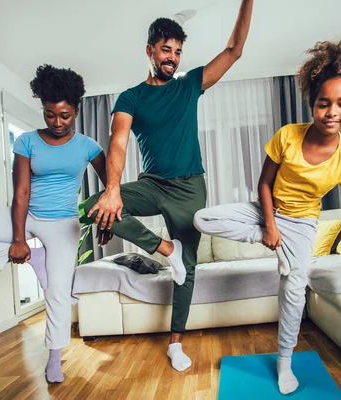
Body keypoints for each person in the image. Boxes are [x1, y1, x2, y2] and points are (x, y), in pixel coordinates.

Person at [193, 31, 341, 394]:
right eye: (324, 103)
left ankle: (285, 361)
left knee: (294, 287)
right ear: (312, 103)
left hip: (303, 224)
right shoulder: (288, 135)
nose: (332, 112)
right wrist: (268, 228)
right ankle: (276, 246)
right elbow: (263, 184)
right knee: (201, 219)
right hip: (266, 210)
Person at [84, 0, 254, 372]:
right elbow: (118, 142)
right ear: (150, 50)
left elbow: (234, 50)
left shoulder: (189, 84)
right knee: (93, 206)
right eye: (166, 50)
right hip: (152, 184)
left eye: (178, 51)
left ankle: (176, 343)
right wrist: (112, 192)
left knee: (187, 267)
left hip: (190, 188)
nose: (172, 58)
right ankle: (166, 248)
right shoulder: (131, 97)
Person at [0, 64, 108, 383]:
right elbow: (21, 191)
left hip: (63, 224)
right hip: (25, 215)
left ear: (77, 110)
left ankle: (54, 358)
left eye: (64, 115)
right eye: (49, 114)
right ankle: (34, 258)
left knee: (57, 292)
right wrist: (18, 239)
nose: (56, 122)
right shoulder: (26, 141)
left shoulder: (89, 147)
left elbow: (112, 190)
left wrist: (109, 221)